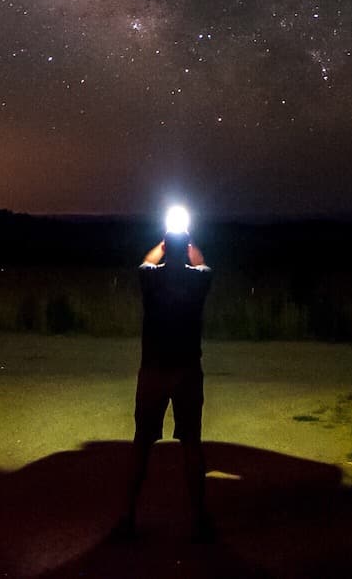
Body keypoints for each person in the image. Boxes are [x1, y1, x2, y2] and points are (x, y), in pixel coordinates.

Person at [114, 225, 216, 542]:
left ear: (164, 246)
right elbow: (201, 263)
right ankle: (199, 520)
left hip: (154, 370)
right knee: (191, 444)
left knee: (141, 444)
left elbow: (145, 261)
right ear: (185, 246)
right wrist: (188, 239)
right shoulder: (200, 279)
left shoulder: (151, 278)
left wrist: (163, 243)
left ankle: (129, 516)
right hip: (187, 371)